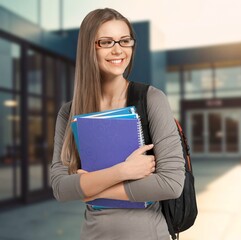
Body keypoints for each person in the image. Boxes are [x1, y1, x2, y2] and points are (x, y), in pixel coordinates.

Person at [50, 8, 185, 240]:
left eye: (125, 41)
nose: (118, 50)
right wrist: (122, 171)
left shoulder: (151, 99)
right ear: (88, 48)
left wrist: (92, 188)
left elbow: (171, 184)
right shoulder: (69, 113)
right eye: (106, 42)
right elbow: (61, 187)